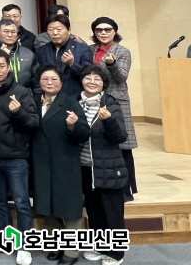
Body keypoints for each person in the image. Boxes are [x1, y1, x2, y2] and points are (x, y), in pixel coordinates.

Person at [0, 49, 38, 265]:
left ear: (8, 67)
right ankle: (5, 240)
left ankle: (24, 245)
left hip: (16, 157)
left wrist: (19, 112)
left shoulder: (20, 91)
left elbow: (33, 122)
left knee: (21, 202)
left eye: (2, 66)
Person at [31, 65, 90, 265]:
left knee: (70, 208)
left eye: (54, 79)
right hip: (41, 162)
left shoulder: (70, 102)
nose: (49, 82)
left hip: (65, 162)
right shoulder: (33, 100)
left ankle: (71, 252)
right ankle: (56, 245)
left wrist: (73, 125)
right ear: (39, 81)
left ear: (62, 82)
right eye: (45, 79)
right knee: (47, 206)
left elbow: (84, 132)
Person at [77, 66, 128, 265]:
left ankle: (116, 253)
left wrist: (109, 120)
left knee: (112, 213)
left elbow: (120, 136)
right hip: (85, 167)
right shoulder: (75, 102)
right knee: (94, 210)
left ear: (103, 83)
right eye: (88, 78)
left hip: (108, 168)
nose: (92, 82)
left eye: (97, 79)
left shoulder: (110, 104)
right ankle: (100, 246)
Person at [89, 17, 138, 201]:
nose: (103, 33)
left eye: (107, 29)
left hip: (117, 100)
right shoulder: (90, 49)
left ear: (114, 31)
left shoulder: (122, 51)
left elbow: (121, 77)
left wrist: (111, 64)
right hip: (96, 100)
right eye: (99, 30)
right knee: (102, 142)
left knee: (123, 146)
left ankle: (126, 190)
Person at [35, 15, 93, 98]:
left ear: (69, 30)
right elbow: (37, 75)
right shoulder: (41, 50)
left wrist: (72, 64)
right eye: (51, 30)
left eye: (59, 29)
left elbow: (89, 75)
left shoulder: (82, 48)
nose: (55, 33)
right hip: (49, 97)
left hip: (75, 97)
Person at [0, 19, 38, 89]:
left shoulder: (28, 53)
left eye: (13, 32)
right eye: (6, 31)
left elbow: (36, 80)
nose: (10, 35)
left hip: (25, 93)